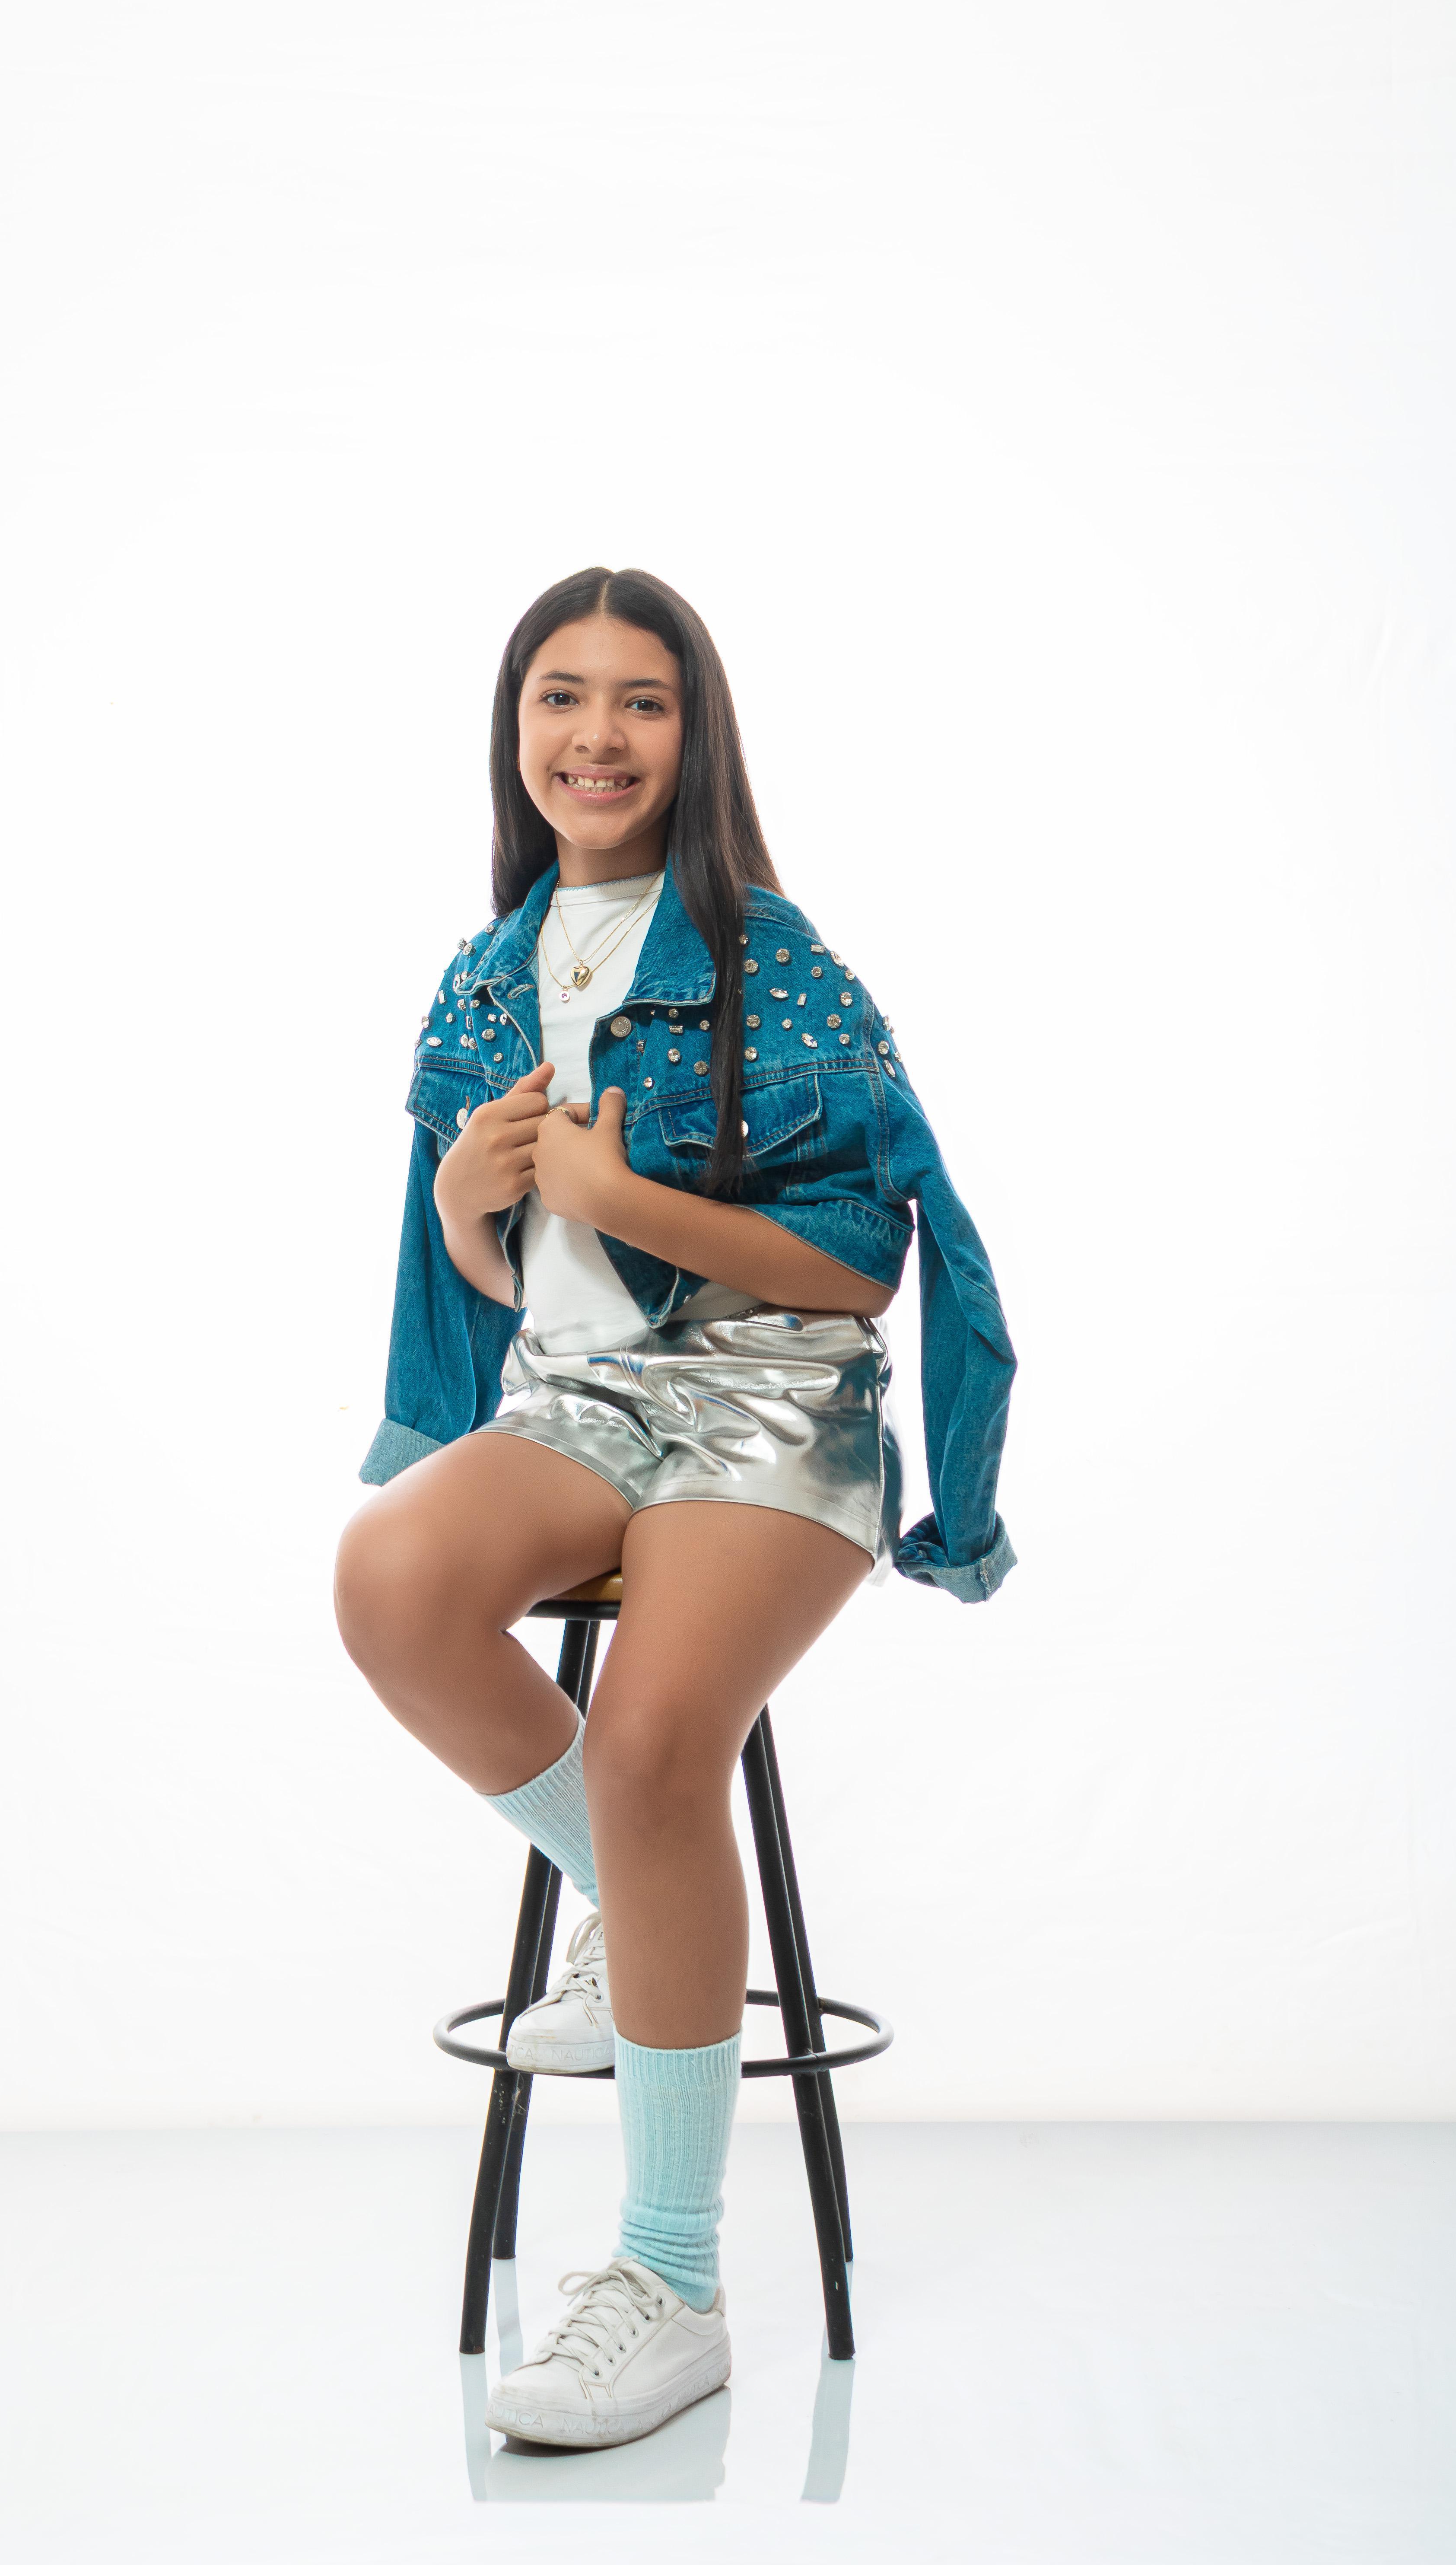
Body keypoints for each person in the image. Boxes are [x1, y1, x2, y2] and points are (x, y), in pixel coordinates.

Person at [334, 566, 1016, 2450]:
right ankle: (630, 1900)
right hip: (589, 1402)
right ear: (515, 732)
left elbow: (854, 1268)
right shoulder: (490, 971)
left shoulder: (774, 957)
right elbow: (512, 1290)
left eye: (642, 700)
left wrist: (628, 1204)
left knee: (651, 1747)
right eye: (561, 696)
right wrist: (470, 1209)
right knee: (392, 1578)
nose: (598, 735)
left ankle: (672, 2285)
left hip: (774, 1404)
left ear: (695, 737)